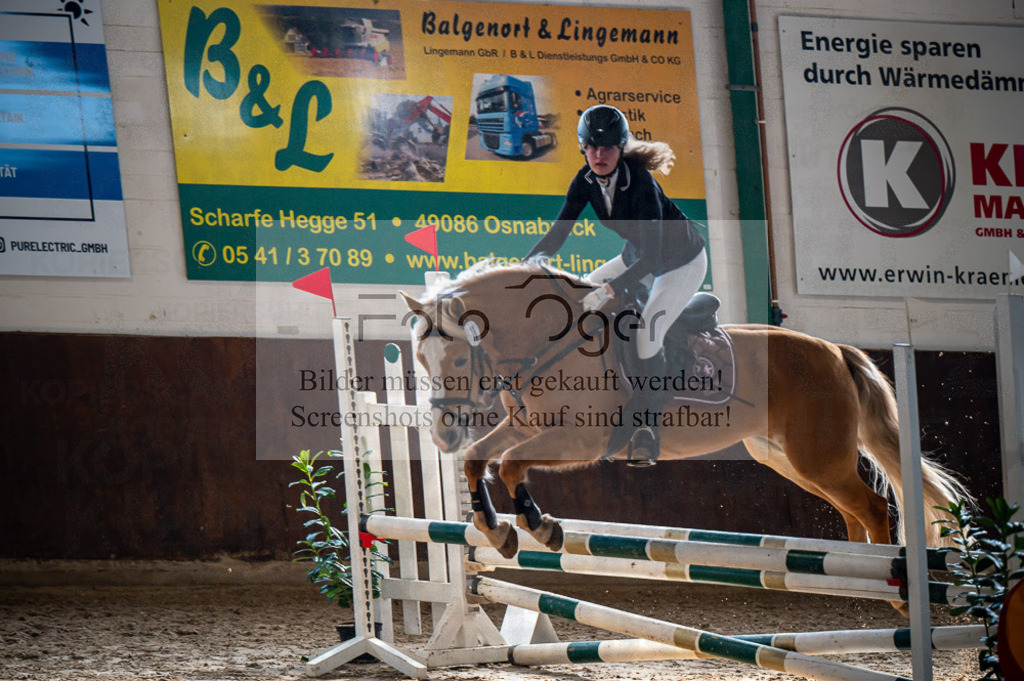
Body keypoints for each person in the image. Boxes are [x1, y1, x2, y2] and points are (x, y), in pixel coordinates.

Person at [526, 104, 708, 465]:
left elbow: (655, 258)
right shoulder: (585, 181)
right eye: (592, 147)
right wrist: (525, 267)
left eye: (608, 147)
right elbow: (559, 232)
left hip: (679, 261)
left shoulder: (640, 182)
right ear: (583, 149)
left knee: (647, 332)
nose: (599, 155)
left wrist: (612, 290)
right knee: (577, 304)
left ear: (620, 149)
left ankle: (646, 428)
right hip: (636, 256)